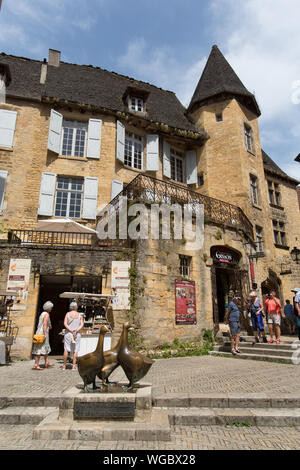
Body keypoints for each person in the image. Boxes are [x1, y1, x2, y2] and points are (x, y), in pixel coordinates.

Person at [32, 301, 54, 371]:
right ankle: (36, 364)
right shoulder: (46, 314)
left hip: (39, 332)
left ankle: (46, 362)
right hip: (42, 333)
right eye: (51, 307)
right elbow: (44, 324)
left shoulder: (42, 313)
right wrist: (45, 333)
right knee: (40, 348)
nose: (51, 309)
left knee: (45, 347)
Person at [63, 302, 84, 370]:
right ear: (76, 307)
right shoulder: (79, 315)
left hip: (69, 333)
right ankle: (74, 366)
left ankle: (64, 366)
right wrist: (76, 330)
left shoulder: (68, 314)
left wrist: (71, 330)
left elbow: (65, 324)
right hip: (76, 334)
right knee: (76, 350)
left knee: (66, 349)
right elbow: (82, 324)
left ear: (70, 307)